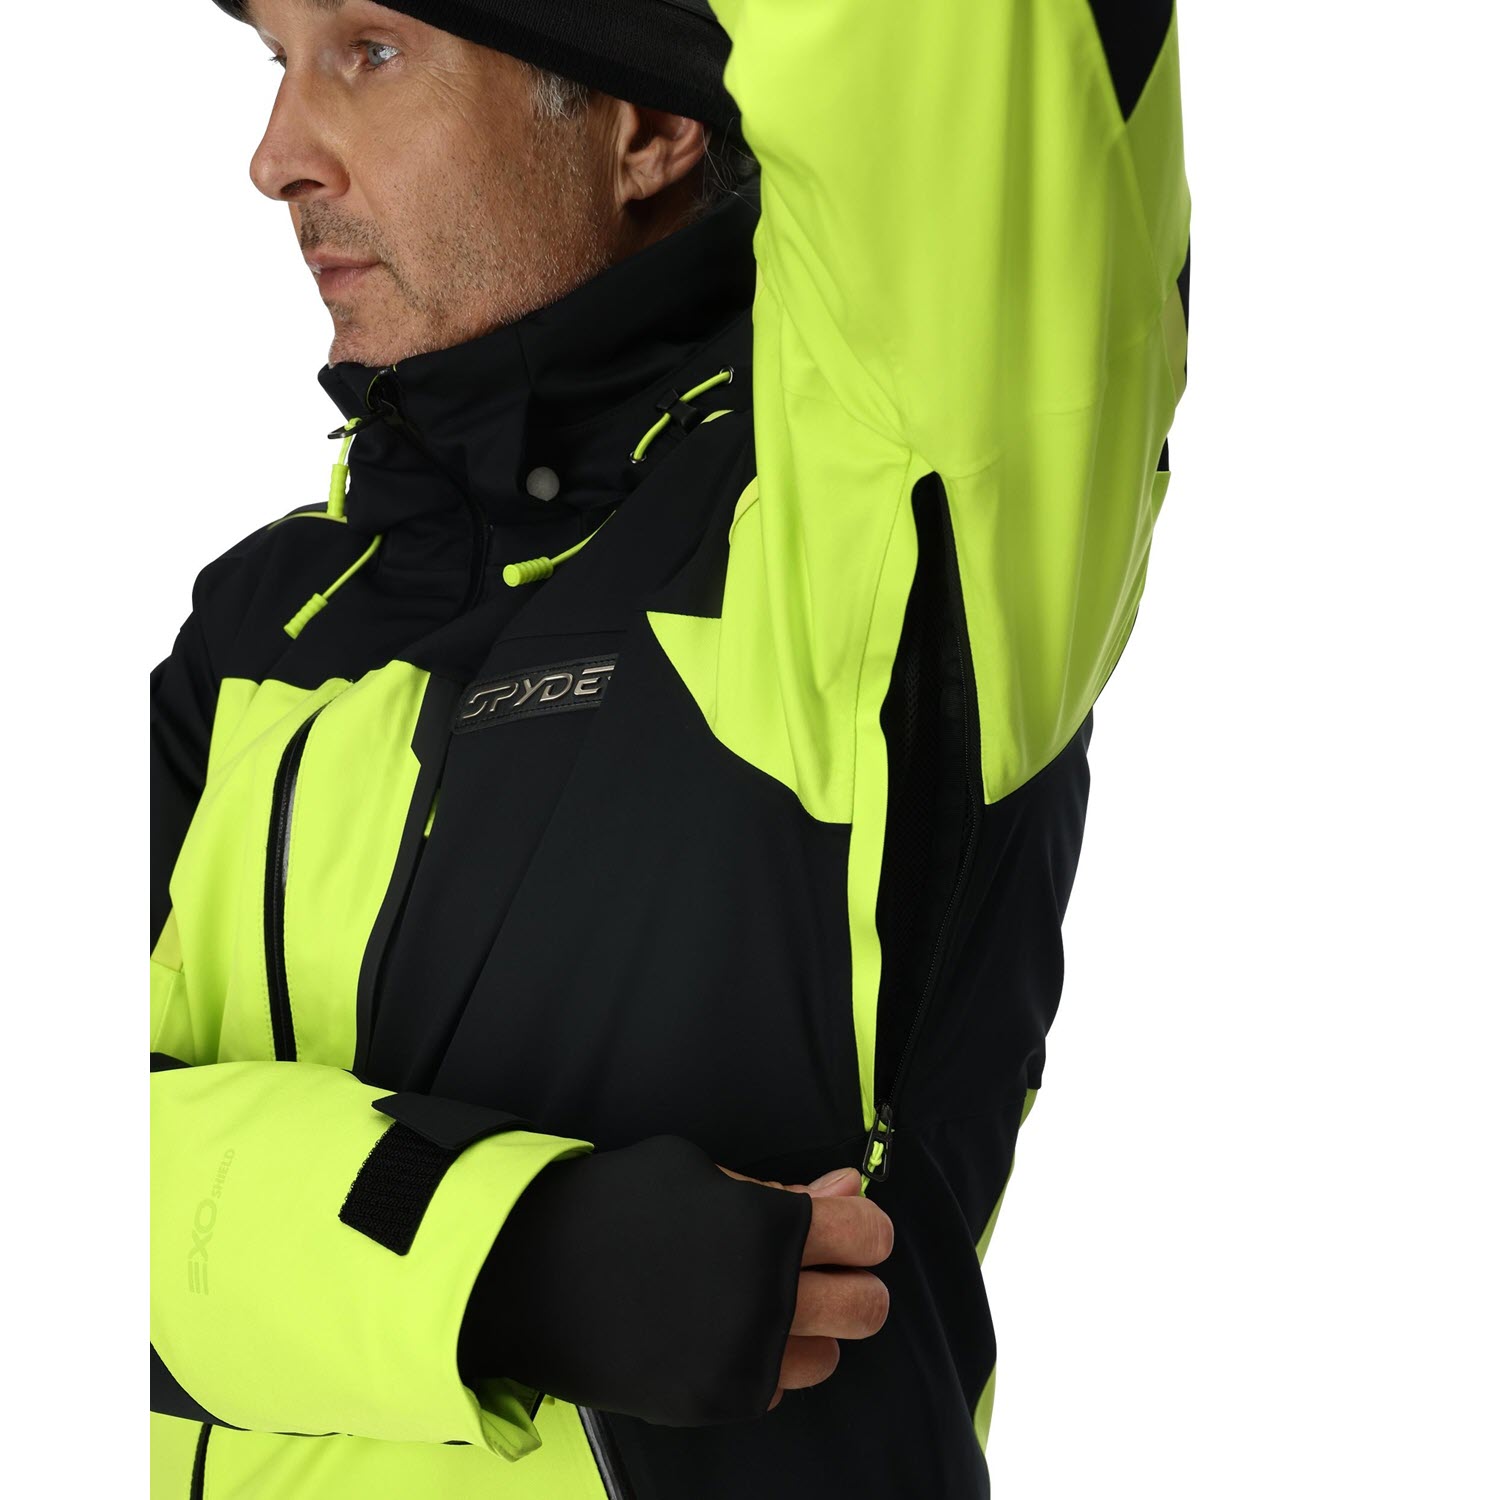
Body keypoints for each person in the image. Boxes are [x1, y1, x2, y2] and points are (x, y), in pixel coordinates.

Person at [149, 1, 1191, 1496]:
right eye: (279, 62)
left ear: (644, 126)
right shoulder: (266, 625)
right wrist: (494, 1251)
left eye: (369, 52)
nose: (276, 157)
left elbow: (956, 54)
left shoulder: (865, 533)